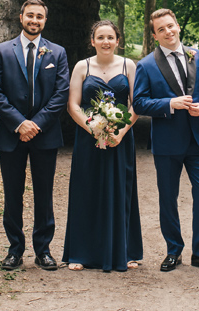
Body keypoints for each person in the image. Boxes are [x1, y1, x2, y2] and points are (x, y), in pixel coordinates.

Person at [132, 9, 199, 273]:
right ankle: (173, 250)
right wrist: (169, 104)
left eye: (171, 26)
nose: (168, 32)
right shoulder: (147, 64)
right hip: (167, 142)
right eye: (161, 29)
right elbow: (138, 102)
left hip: (198, 140)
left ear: (178, 26)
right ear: (155, 35)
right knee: (168, 198)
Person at [0, 0, 70, 271]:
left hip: (44, 135)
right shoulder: (1, 51)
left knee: (44, 194)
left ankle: (43, 250)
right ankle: (14, 249)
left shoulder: (57, 53)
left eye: (40, 17)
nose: (34, 20)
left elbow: (61, 94)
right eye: (30, 15)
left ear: (45, 21)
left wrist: (35, 124)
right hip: (11, 134)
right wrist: (19, 123)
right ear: (20, 17)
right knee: (12, 194)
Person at [62, 20, 143, 271]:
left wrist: (120, 131)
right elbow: (72, 105)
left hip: (120, 139)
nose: (105, 42)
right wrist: (94, 128)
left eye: (110, 37)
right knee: (86, 191)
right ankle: (80, 253)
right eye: (100, 37)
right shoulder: (81, 66)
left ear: (118, 41)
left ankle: (124, 251)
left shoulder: (129, 65)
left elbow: (136, 103)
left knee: (122, 191)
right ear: (92, 41)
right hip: (89, 139)